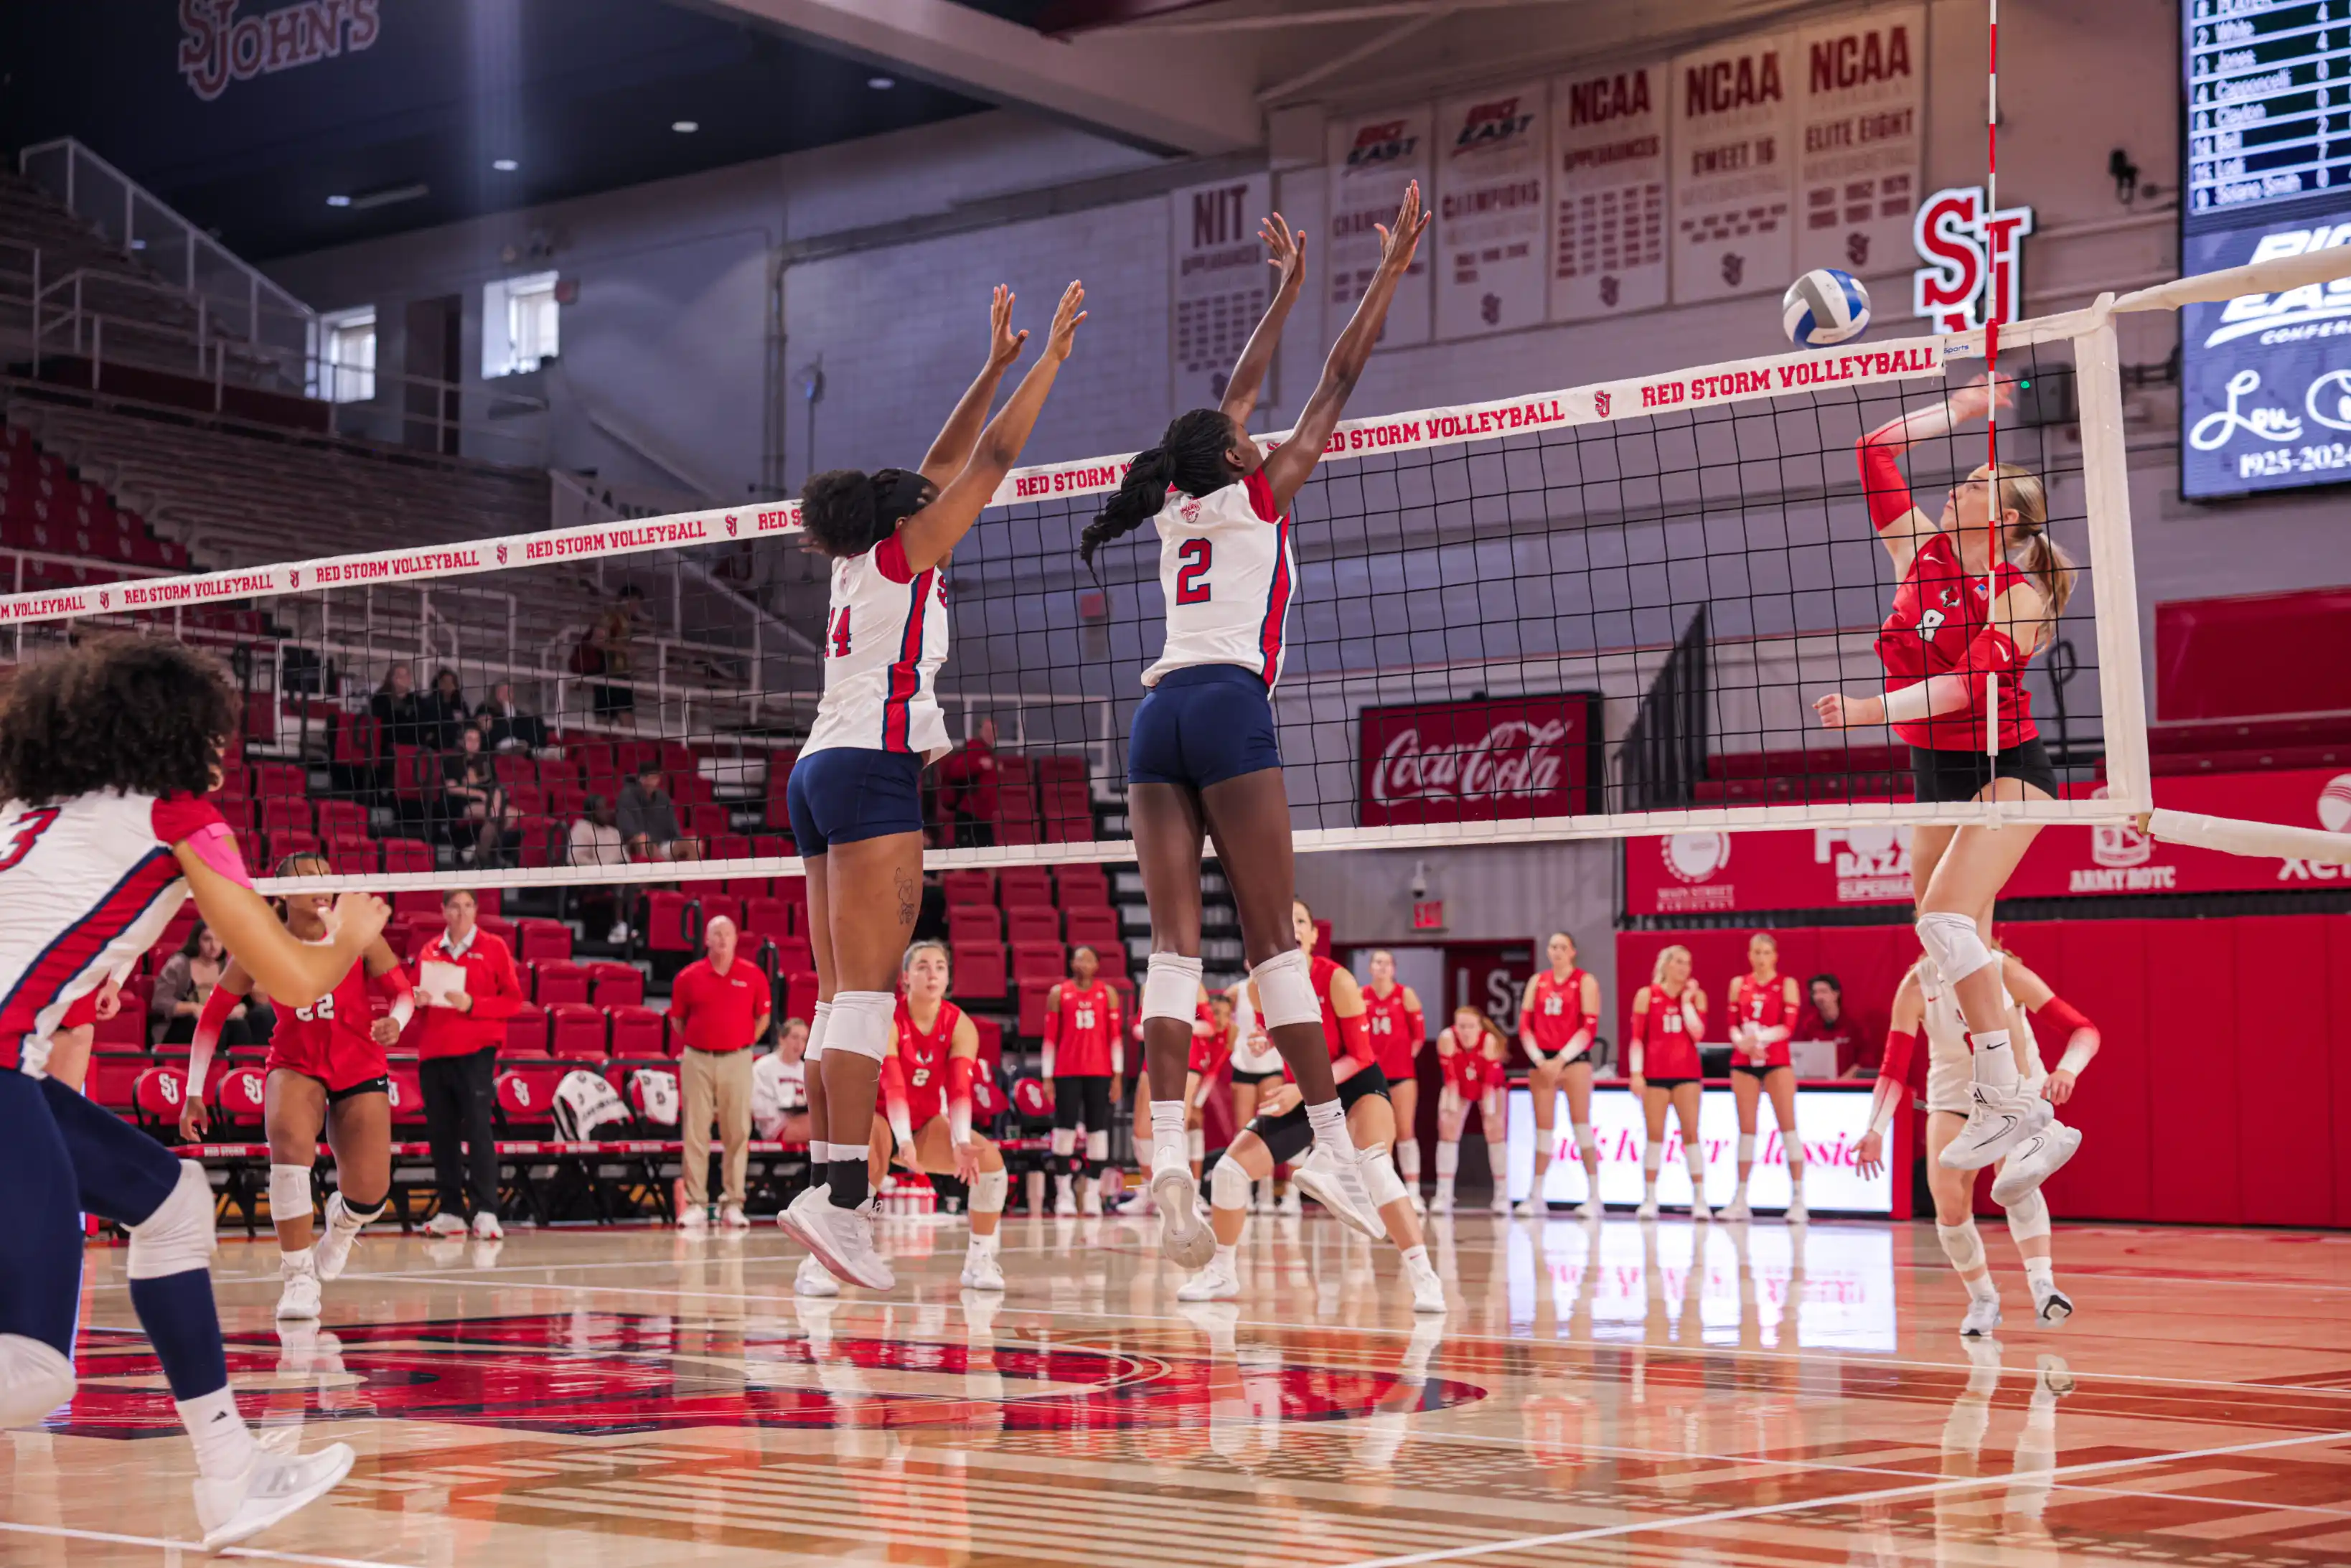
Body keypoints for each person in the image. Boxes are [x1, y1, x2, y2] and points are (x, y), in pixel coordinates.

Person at [1079, 188, 1428, 1264]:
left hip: (1156, 721)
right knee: (1277, 943)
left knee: (1174, 951)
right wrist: (1389, 271)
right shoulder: (1262, 492)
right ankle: (1328, 1142)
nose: (1251, 429)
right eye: (1242, 437)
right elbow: (1338, 379)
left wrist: (1283, 290)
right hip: (1231, 707)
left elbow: (1235, 395)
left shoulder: (1176, 503)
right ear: (1234, 458)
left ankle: (1167, 1149)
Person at [0, 636, 386, 1549]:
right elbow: (293, 978)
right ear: (170, 730)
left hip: (16, 1061)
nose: (224, 747)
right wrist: (351, 932)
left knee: (173, 1200)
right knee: (37, 1370)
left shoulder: (29, 805)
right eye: (214, 730)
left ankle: (230, 1472)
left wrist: (98, 972)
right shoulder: (180, 815)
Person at [776, 280, 1084, 1292]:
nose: (939, 497)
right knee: (865, 998)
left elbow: (943, 463)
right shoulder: (909, 552)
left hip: (818, 769)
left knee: (838, 999)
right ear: (915, 517)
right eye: (928, 499)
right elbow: (985, 464)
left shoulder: (866, 554)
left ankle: (829, 1205)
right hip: (870, 767)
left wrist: (990, 365)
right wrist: (1048, 366)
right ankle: (841, 1204)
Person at [1816, 373, 2075, 1175]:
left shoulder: (2018, 597)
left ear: (2005, 518)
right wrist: (1962, 409)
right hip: (1934, 768)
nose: (1958, 485)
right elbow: (1874, 451)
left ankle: (2004, 1099)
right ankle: (2032, 1121)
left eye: (1975, 482)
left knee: (1945, 920)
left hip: (2007, 768)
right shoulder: (1918, 549)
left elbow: (1964, 688)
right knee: (1946, 942)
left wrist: (1868, 710)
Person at [175, 851, 413, 1319]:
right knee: (287, 1148)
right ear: (283, 892)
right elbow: (212, 1017)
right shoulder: (261, 942)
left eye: (326, 876)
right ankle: (298, 1276)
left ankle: (344, 1223)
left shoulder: (357, 931)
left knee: (371, 1194)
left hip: (358, 1062)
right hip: (294, 1062)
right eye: (308, 878)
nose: (321, 885)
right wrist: (193, 1093)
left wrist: (397, 1021)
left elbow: (402, 992)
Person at [1177, 901, 1445, 1313]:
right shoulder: (1259, 987)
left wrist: (1302, 1091)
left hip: (1356, 1085)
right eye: (1284, 921)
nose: (1293, 927)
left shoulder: (1337, 980)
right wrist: (1264, 1041)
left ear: (1313, 934)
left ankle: (1425, 1278)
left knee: (1376, 1166)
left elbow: (1360, 1055)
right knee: (1229, 1171)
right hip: (1303, 1089)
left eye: (1300, 920)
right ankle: (1222, 1271)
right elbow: (1281, 1037)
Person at [1858, 949, 2096, 1333]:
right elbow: (1893, 1068)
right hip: (1954, 1100)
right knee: (1949, 1204)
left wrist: (2067, 1069)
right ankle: (1983, 1298)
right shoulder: (1918, 984)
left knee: (2016, 1183)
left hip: (2014, 1097)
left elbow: (2083, 1029)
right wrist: (1876, 1129)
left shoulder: (2003, 970)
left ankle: (2043, 1284)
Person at [878, 941, 1009, 1290]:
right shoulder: (888, 1017)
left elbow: (959, 1090)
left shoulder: (960, 1024)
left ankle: (979, 1260)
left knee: (990, 1166)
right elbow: (893, 1087)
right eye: (922, 966)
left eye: (940, 966)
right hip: (876, 1119)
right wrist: (902, 1141)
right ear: (905, 977)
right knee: (861, 1177)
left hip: (923, 1123)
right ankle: (820, 1263)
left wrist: (961, 1141)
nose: (932, 974)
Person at [413, 888, 524, 1239]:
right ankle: (451, 1210)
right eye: (454, 907)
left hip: (475, 1052)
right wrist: (417, 1000)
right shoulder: (430, 951)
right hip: (434, 1053)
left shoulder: (494, 947)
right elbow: (415, 1003)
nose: (461, 914)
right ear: (443, 911)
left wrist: (473, 1004)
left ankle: (485, 1210)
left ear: (476, 910)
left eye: (467, 906)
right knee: (441, 1134)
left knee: (478, 1130)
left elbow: (513, 1001)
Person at [668, 914, 771, 1231]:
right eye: (717, 933)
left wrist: (741, 1044)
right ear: (707, 939)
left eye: (728, 933)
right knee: (695, 1131)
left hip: (738, 1059)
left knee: (737, 1131)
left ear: (736, 939)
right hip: (697, 1059)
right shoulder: (688, 977)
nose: (723, 938)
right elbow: (678, 1020)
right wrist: (702, 1043)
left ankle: (733, 1203)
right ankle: (696, 1204)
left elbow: (763, 1018)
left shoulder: (753, 975)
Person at [1515, 931, 1603, 1219]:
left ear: (1573, 951)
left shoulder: (1585, 981)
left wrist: (1561, 1060)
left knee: (1581, 1125)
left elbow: (1589, 1028)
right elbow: (1525, 1026)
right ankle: (1536, 1195)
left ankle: (1594, 1196)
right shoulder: (1537, 981)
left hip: (1574, 1060)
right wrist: (1541, 1060)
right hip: (1542, 1060)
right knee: (1543, 1130)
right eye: (1553, 947)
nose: (1557, 951)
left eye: (1563, 947)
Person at [1722, 932, 1807, 1224]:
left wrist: (1759, 1038)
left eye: (1766, 953)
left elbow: (1788, 1026)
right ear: (1749, 955)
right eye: (1756, 952)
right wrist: (1741, 1042)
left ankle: (1798, 1199)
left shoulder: (1787, 984)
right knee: (1746, 1131)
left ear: (1775, 956)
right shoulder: (1738, 984)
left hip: (1776, 1060)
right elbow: (1732, 1024)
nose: (1761, 958)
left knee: (1788, 1128)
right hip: (1744, 1061)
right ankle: (1740, 1199)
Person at [1628, 944, 1709, 1221]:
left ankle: (1700, 1199)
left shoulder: (1697, 996)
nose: (1684, 968)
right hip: (1655, 1076)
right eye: (1679, 962)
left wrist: (1686, 1002)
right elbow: (1637, 1038)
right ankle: (1650, 1198)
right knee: (1654, 1136)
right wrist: (1636, 1073)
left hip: (1687, 1074)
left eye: (1688, 963)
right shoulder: (1646, 995)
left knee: (1691, 1135)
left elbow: (1698, 1033)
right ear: (1666, 964)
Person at [1043, 944, 1123, 1215]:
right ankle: (1064, 1194)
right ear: (1071, 964)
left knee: (1097, 1132)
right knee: (1064, 1131)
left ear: (1097, 965)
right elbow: (1050, 1039)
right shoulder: (1059, 993)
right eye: (1079, 959)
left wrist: (1118, 1076)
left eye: (1089, 960)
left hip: (1100, 1072)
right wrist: (1047, 1077)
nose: (1083, 964)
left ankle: (1092, 1193)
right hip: (1066, 1072)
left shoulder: (1107, 993)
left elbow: (1115, 1038)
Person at [1360, 950, 1427, 1211]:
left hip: (1402, 1074)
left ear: (1394, 969)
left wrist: (1402, 1058)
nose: (1382, 967)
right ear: (1370, 968)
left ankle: (1413, 1192)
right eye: (1378, 962)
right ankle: (1380, 1191)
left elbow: (1419, 1036)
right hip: (1371, 1074)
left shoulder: (1405, 994)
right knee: (1375, 1135)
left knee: (1405, 1131)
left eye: (1387, 963)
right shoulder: (1360, 995)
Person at [1431, 1006, 1510, 1216]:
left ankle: (1502, 1196)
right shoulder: (1447, 1039)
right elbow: (1450, 1078)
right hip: (1458, 1085)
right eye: (1461, 1026)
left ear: (1479, 1027)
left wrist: (1490, 1111)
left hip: (1489, 1086)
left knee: (1495, 1133)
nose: (1465, 1031)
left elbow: (1489, 1083)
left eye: (1471, 1026)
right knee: (1448, 1131)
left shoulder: (1489, 1042)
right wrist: (1451, 1106)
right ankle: (1444, 1194)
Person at [152, 923, 257, 1048]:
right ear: (196, 941)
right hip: (181, 1023)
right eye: (207, 939)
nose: (214, 946)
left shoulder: (227, 965)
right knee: (212, 1029)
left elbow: (245, 999)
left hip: (218, 1019)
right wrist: (193, 1008)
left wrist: (240, 1008)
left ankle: (242, 1061)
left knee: (240, 1027)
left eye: (219, 940)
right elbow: (160, 1002)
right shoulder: (179, 965)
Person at [1183, 992, 1237, 1179]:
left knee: (1197, 1125)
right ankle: (1179, 1180)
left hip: (1202, 1089)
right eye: (1216, 1013)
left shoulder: (1228, 1034)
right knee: (1184, 1125)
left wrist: (1197, 1104)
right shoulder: (1198, 1033)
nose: (1221, 1020)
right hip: (1184, 1086)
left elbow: (1213, 1072)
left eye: (1227, 1014)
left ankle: (1196, 1186)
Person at [566, 792, 629, 943]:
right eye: (602, 808)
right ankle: (619, 925)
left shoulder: (614, 833)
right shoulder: (581, 829)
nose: (607, 812)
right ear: (592, 811)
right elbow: (574, 859)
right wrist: (602, 869)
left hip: (616, 875)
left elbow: (626, 858)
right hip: (593, 878)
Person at [936, 716, 1000, 849]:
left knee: (989, 854)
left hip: (983, 817)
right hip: (970, 815)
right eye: (988, 730)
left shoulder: (989, 753)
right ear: (981, 732)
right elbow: (955, 770)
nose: (991, 734)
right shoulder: (974, 747)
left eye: (994, 731)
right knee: (967, 854)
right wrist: (980, 765)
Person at [617, 760, 699, 863]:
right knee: (643, 840)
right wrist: (648, 841)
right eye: (648, 777)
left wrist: (681, 841)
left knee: (694, 843)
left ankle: (691, 873)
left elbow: (674, 828)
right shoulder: (627, 796)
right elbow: (627, 829)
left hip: (662, 843)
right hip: (635, 844)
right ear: (640, 778)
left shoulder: (663, 798)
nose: (652, 781)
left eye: (655, 778)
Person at [588, 585, 645, 720]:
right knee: (608, 719)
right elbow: (596, 642)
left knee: (620, 718)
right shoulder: (611, 618)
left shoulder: (626, 622)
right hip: (607, 673)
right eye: (634, 603)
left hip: (620, 674)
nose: (636, 608)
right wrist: (625, 650)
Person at [752, 1016, 810, 1145]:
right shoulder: (763, 1067)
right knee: (822, 1127)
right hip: (774, 1126)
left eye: (803, 1040)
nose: (799, 1044)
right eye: (795, 1037)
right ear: (782, 1039)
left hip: (801, 1120)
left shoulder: (806, 1070)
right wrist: (785, 1109)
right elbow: (757, 1105)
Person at [475, 681, 547, 752]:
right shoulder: (486, 709)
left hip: (521, 748)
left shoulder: (522, 715)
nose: (506, 694)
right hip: (496, 749)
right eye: (502, 691)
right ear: (496, 694)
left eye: (509, 691)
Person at [369, 662, 421, 754]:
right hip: (388, 749)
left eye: (406, 676)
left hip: (412, 750)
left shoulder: (416, 701)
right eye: (399, 676)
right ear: (391, 678)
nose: (403, 680)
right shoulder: (381, 699)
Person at [420, 667, 469, 751]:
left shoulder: (460, 705)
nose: (448, 686)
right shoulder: (429, 703)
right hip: (434, 749)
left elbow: (468, 723)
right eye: (445, 682)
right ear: (438, 684)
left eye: (451, 682)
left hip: (456, 750)